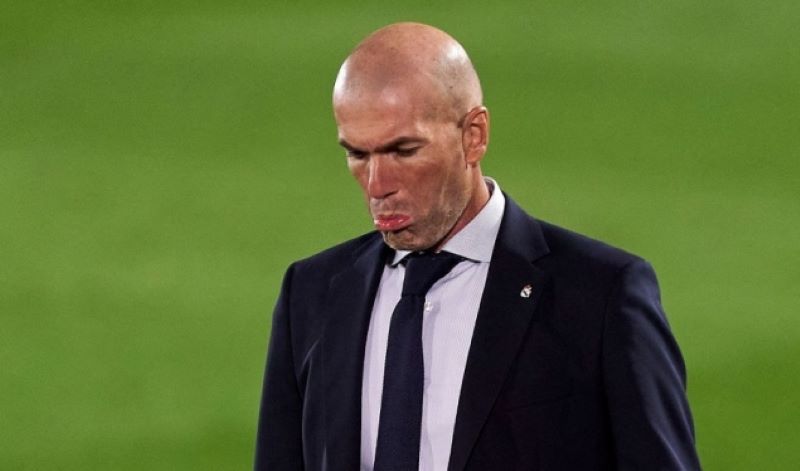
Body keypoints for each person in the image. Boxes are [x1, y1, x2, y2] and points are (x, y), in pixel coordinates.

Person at [255, 22, 701, 471]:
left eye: (404, 151)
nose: (377, 185)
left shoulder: (600, 297)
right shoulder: (311, 294)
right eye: (357, 154)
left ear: (474, 136)